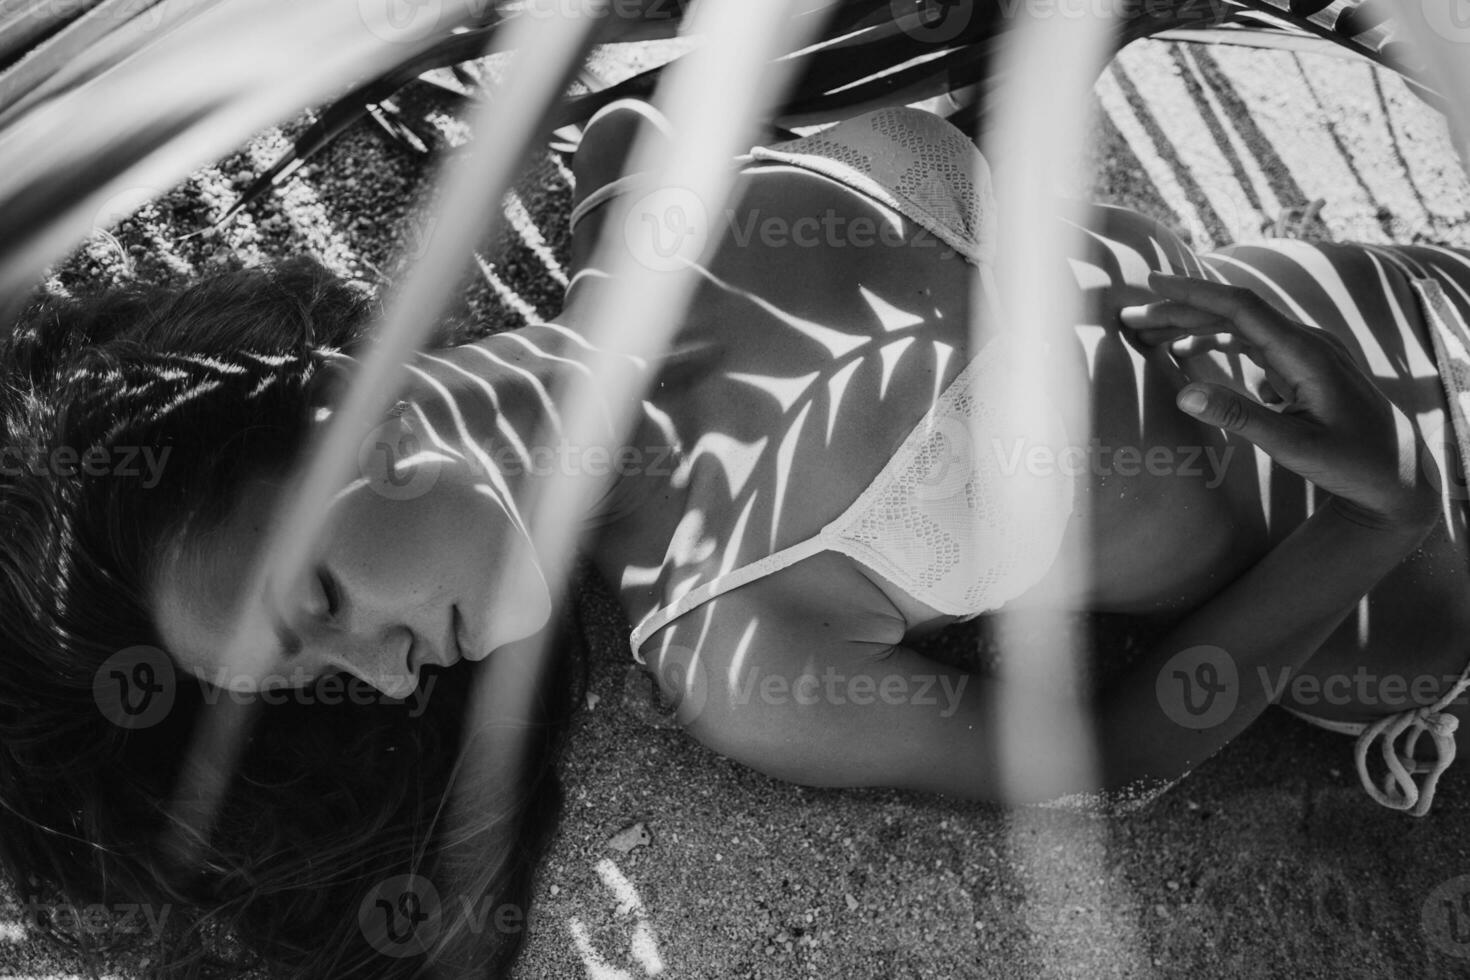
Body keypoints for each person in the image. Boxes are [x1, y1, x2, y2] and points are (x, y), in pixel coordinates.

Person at [0, 98, 1465, 976]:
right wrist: (1369, 514)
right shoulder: (739, 641)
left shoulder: (643, 179)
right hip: (1411, 575)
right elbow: (1103, 757)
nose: (384, 684)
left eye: (314, 599)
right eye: (321, 682)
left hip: (1395, 281)